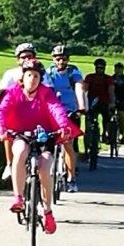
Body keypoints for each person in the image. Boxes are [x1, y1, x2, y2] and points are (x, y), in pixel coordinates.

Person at [0, 58, 81, 234]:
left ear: (40, 79)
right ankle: (18, 198)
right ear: (22, 78)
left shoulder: (46, 93)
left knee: (45, 165)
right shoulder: (13, 92)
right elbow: (1, 111)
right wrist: (1, 128)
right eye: (29, 75)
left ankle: (47, 211)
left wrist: (63, 126)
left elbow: (56, 109)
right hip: (21, 134)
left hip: (44, 135)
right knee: (19, 151)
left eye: (36, 76)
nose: (32, 79)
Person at [0, 43, 53, 180]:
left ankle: (40, 164)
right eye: (22, 57)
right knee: (9, 131)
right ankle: (9, 164)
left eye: (29, 56)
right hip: (15, 110)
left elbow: (50, 95)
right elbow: (1, 95)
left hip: (37, 109)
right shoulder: (11, 74)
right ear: (17, 60)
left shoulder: (41, 73)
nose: (26, 59)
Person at [47, 45, 85, 192]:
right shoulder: (49, 72)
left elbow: (79, 87)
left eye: (63, 58)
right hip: (53, 111)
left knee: (68, 143)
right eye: (57, 58)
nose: (60, 61)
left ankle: (71, 178)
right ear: (53, 59)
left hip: (70, 111)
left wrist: (81, 106)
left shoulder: (72, 71)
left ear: (68, 59)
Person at [82, 57, 115, 152]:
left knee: (107, 118)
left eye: (101, 68)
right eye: (98, 67)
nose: (100, 70)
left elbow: (111, 92)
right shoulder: (90, 77)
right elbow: (85, 90)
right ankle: (87, 149)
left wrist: (112, 103)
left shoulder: (108, 79)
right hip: (92, 103)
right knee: (88, 127)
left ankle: (106, 133)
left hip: (104, 103)